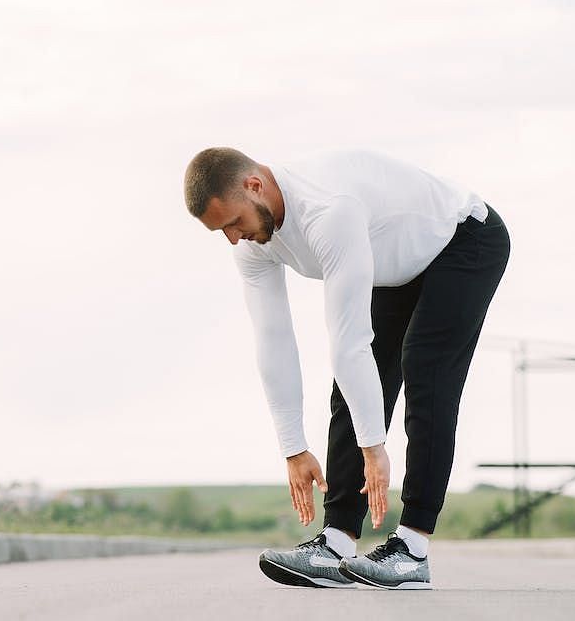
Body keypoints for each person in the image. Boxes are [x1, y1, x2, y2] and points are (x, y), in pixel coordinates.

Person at [183, 147, 510, 590]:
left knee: (425, 371)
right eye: (221, 231)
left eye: (233, 223)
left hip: (463, 238)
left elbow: (348, 343)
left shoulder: (328, 212)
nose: (233, 238)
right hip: (398, 261)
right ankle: (335, 542)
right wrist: (294, 448)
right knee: (350, 388)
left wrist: (373, 447)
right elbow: (274, 343)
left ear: (254, 185)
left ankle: (412, 549)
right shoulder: (251, 244)